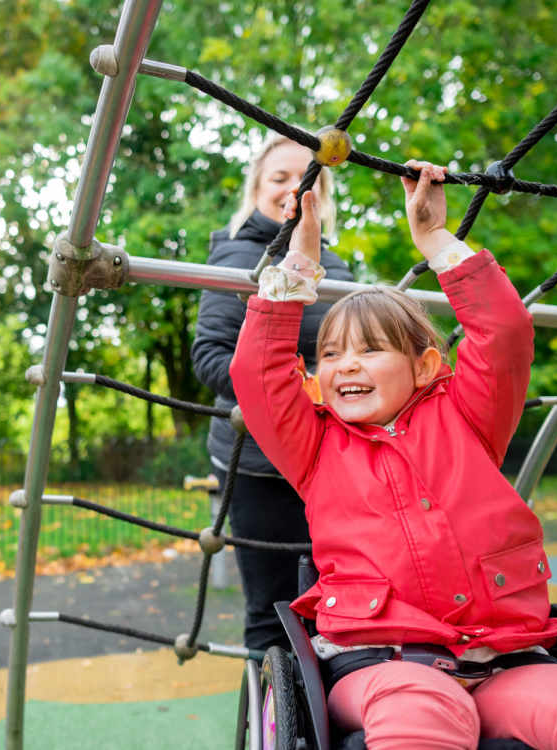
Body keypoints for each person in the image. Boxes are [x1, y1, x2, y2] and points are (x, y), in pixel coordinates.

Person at [228, 160, 557, 749]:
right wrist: (300, 264)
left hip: (506, 659)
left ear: (426, 366)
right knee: (423, 710)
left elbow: (503, 332)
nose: (345, 365)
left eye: (370, 350)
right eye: (330, 356)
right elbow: (256, 373)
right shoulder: (316, 444)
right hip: (383, 664)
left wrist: (435, 238)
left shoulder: (467, 417)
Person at [192, 133, 355, 652]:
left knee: (335, 601)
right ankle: (278, 726)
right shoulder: (239, 258)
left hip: (328, 456)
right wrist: (295, 393)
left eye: (306, 180)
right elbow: (211, 357)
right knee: (273, 610)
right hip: (259, 461)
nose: (292, 190)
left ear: (322, 196)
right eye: (279, 178)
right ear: (257, 188)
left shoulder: (341, 269)